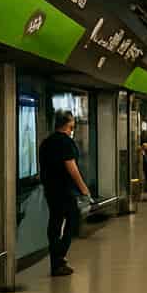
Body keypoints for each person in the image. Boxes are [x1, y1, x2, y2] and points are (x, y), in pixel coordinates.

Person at [38, 111, 91, 276]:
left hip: (50, 189)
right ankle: (59, 256)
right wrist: (83, 188)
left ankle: (56, 262)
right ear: (67, 125)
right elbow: (72, 168)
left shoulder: (45, 143)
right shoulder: (66, 142)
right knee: (74, 219)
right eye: (72, 126)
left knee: (54, 222)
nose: (72, 129)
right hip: (64, 190)